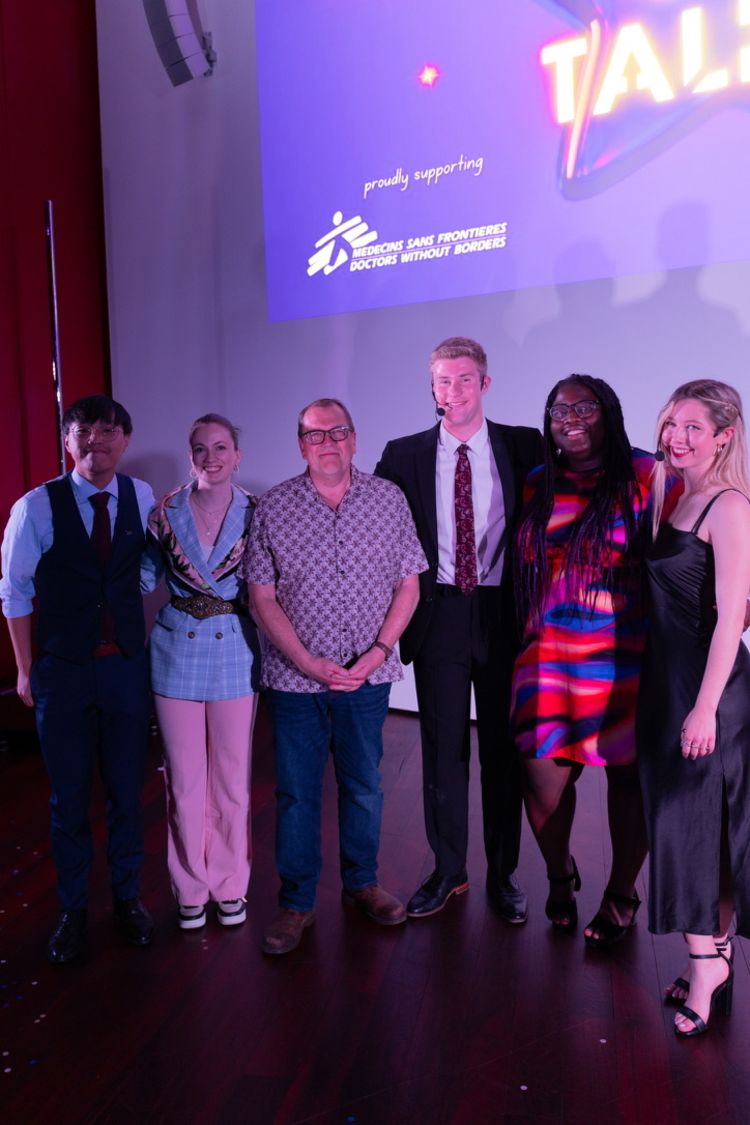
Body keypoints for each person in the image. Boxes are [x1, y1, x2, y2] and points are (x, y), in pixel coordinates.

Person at [246, 398, 427, 955]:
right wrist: (305, 661)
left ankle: (362, 884)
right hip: (295, 681)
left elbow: (409, 584)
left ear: (354, 438)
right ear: (300, 444)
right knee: (297, 793)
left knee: (364, 786)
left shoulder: (387, 499)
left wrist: (376, 655)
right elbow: (261, 596)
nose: (327, 443)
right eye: (314, 435)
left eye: (337, 432)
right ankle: (297, 904)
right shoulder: (274, 507)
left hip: (366, 679)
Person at [375, 337, 543, 921]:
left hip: (504, 614)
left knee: (502, 752)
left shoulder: (525, 446)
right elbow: (377, 529)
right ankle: (449, 871)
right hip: (439, 612)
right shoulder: (403, 455)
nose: (453, 391)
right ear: (433, 389)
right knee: (443, 751)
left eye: (464, 380)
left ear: (486, 384)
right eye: (443, 382)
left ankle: (504, 875)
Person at [511, 375, 667, 946]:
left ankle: (622, 892)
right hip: (547, 654)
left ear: (609, 413)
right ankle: (560, 873)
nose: (569, 417)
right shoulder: (538, 482)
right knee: (542, 779)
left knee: (628, 782)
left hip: (627, 653)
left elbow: (688, 550)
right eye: (558, 408)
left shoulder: (648, 476)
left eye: (584, 406)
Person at [0, 395, 155, 963]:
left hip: (123, 669)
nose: (98, 440)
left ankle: (128, 898)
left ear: (125, 440)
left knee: (125, 792)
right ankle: (71, 909)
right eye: (84, 431)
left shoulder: (138, 495)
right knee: (68, 797)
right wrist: (24, 669)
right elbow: (14, 593)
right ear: (68, 441)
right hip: (62, 672)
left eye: (110, 430)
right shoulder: (35, 506)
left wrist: (121, 597)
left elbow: (145, 563)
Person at [638, 379, 750, 1037]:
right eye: (672, 424)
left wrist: (705, 707)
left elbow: (732, 613)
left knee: (694, 824)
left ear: (725, 435)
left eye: (693, 429)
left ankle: (705, 963)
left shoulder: (730, 505)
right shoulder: (680, 494)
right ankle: (716, 952)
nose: (676, 438)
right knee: (688, 823)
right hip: (666, 682)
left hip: (708, 689)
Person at [143, 414, 260, 931]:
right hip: (175, 649)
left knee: (233, 779)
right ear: (189, 456)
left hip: (236, 648)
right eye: (199, 449)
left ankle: (230, 885)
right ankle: (190, 888)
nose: (210, 457)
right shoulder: (163, 512)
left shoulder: (259, 513)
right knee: (184, 779)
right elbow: (145, 577)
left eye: (220, 447)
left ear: (238, 454)